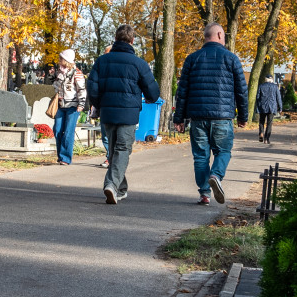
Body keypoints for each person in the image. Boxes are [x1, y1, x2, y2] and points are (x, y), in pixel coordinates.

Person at [173, 22, 248, 206]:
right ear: (221, 36)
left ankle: (204, 194)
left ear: (206, 37)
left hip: (198, 117)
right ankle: (216, 175)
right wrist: (243, 116)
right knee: (223, 151)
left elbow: (182, 91)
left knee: (200, 156)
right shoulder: (231, 59)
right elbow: (241, 91)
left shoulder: (192, 59)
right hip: (222, 117)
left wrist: (179, 118)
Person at [87, 25, 160, 204]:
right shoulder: (139, 64)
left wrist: (98, 104)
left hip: (109, 112)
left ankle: (121, 188)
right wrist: (150, 98)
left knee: (114, 150)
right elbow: (152, 91)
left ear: (116, 38)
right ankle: (111, 184)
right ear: (132, 40)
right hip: (128, 113)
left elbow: (92, 87)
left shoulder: (102, 61)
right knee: (122, 149)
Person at [53, 49, 87, 165]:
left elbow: (81, 90)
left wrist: (81, 104)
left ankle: (65, 158)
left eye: (61, 58)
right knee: (57, 130)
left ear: (66, 60)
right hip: (60, 105)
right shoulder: (60, 72)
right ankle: (60, 155)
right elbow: (55, 87)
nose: (59, 60)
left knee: (68, 131)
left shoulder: (77, 73)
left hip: (73, 106)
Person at [256, 75, 282, 144]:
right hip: (272, 107)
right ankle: (266, 139)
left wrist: (258, 105)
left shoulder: (261, 86)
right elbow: (278, 97)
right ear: (272, 80)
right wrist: (280, 107)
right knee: (269, 123)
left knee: (261, 121)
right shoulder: (275, 87)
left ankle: (261, 132)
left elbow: (258, 97)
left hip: (263, 107)